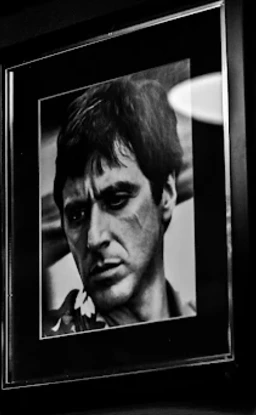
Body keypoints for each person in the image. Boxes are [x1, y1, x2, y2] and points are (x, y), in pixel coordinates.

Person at [45, 76, 196, 337]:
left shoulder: (211, 327)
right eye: (77, 215)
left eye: (116, 200)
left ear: (168, 192)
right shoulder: (51, 343)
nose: (94, 238)